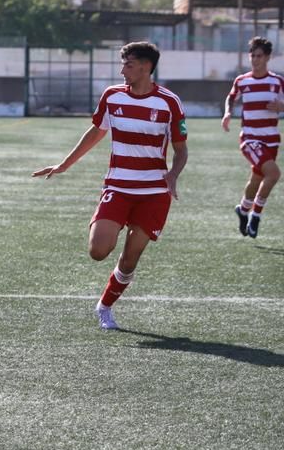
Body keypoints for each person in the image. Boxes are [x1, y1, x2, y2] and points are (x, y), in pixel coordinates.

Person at [32, 42, 188, 331]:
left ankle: (105, 306)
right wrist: (64, 165)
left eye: (128, 64)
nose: (122, 70)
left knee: (129, 259)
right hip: (118, 186)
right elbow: (95, 132)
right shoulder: (112, 96)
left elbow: (181, 150)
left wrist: (173, 174)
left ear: (145, 66)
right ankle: (110, 226)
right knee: (98, 250)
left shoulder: (169, 102)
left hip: (154, 193)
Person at [221, 36, 284, 239]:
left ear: (267, 58)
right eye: (252, 55)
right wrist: (227, 113)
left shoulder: (277, 81)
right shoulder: (242, 80)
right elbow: (231, 98)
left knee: (257, 177)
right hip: (250, 139)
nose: (255, 59)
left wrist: (282, 107)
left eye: (259, 56)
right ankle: (255, 215)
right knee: (273, 174)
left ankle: (243, 209)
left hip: (272, 139)